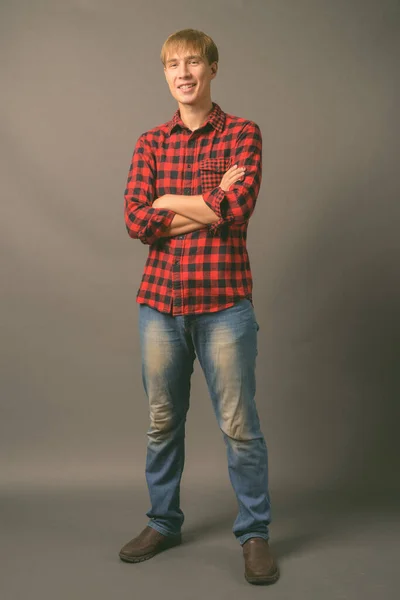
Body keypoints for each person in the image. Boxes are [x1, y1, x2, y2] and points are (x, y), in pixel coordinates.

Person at [119, 28, 279, 586]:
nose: (183, 73)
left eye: (193, 63)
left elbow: (237, 209)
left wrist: (172, 203)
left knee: (239, 427)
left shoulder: (242, 133)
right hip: (160, 306)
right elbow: (138, 221)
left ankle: (255, 534)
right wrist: (206, 203)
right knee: (162, 423)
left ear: (213, 68)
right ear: (165, 74)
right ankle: (163, 521)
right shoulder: (150, 143)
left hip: (224, 306)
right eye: (172, 65)